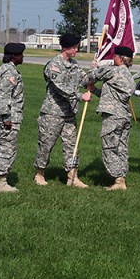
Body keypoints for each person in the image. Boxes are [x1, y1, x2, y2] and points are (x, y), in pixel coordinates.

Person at [34, 33, 91, 188]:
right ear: (66, 47)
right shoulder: (54, 65)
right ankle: (40, 173)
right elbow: (61, 88)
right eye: (75, 47)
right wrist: (81, 96)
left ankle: (72, 176)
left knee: (72, 145)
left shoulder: (74, 65)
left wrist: (94, 73)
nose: (77, 50)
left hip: (69, 113)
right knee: (46, 144)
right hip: (53, 112)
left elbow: (84, 79)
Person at [86, 46, 136, 190]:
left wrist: (93, 67)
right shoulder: (128, 76)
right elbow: (111, 95)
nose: (113, 59)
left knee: (109, 146)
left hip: (113, 117)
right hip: (124, 115)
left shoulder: (113, 71)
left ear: (120, 58)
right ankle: (122, 178)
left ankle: (118, 178)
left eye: (115, 57)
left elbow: (91, 77)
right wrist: (94, 90)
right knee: (121, 147)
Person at [0, 43, 25, 193]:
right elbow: (3, 96)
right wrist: (6, 117)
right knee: (6, 148)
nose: (23, 57)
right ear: (13, 56)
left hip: (3, 117)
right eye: (21, 54)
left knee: (3, 146)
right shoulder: (10, 72)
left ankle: (1, 179)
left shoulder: (5, 69)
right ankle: (1, 182)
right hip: (7, 118)